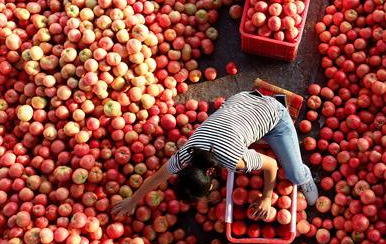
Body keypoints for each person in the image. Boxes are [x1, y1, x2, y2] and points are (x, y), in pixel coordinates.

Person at [112, 90, 318, 219]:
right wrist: (133, 200)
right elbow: (157, 177)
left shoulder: (233, 160)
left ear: (210, 177)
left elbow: (271, 165)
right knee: (247, 136)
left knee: (294, 175)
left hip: (274, 115)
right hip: (240, 98)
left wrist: (266, 197)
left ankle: (304, 175)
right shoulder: (186, 153)